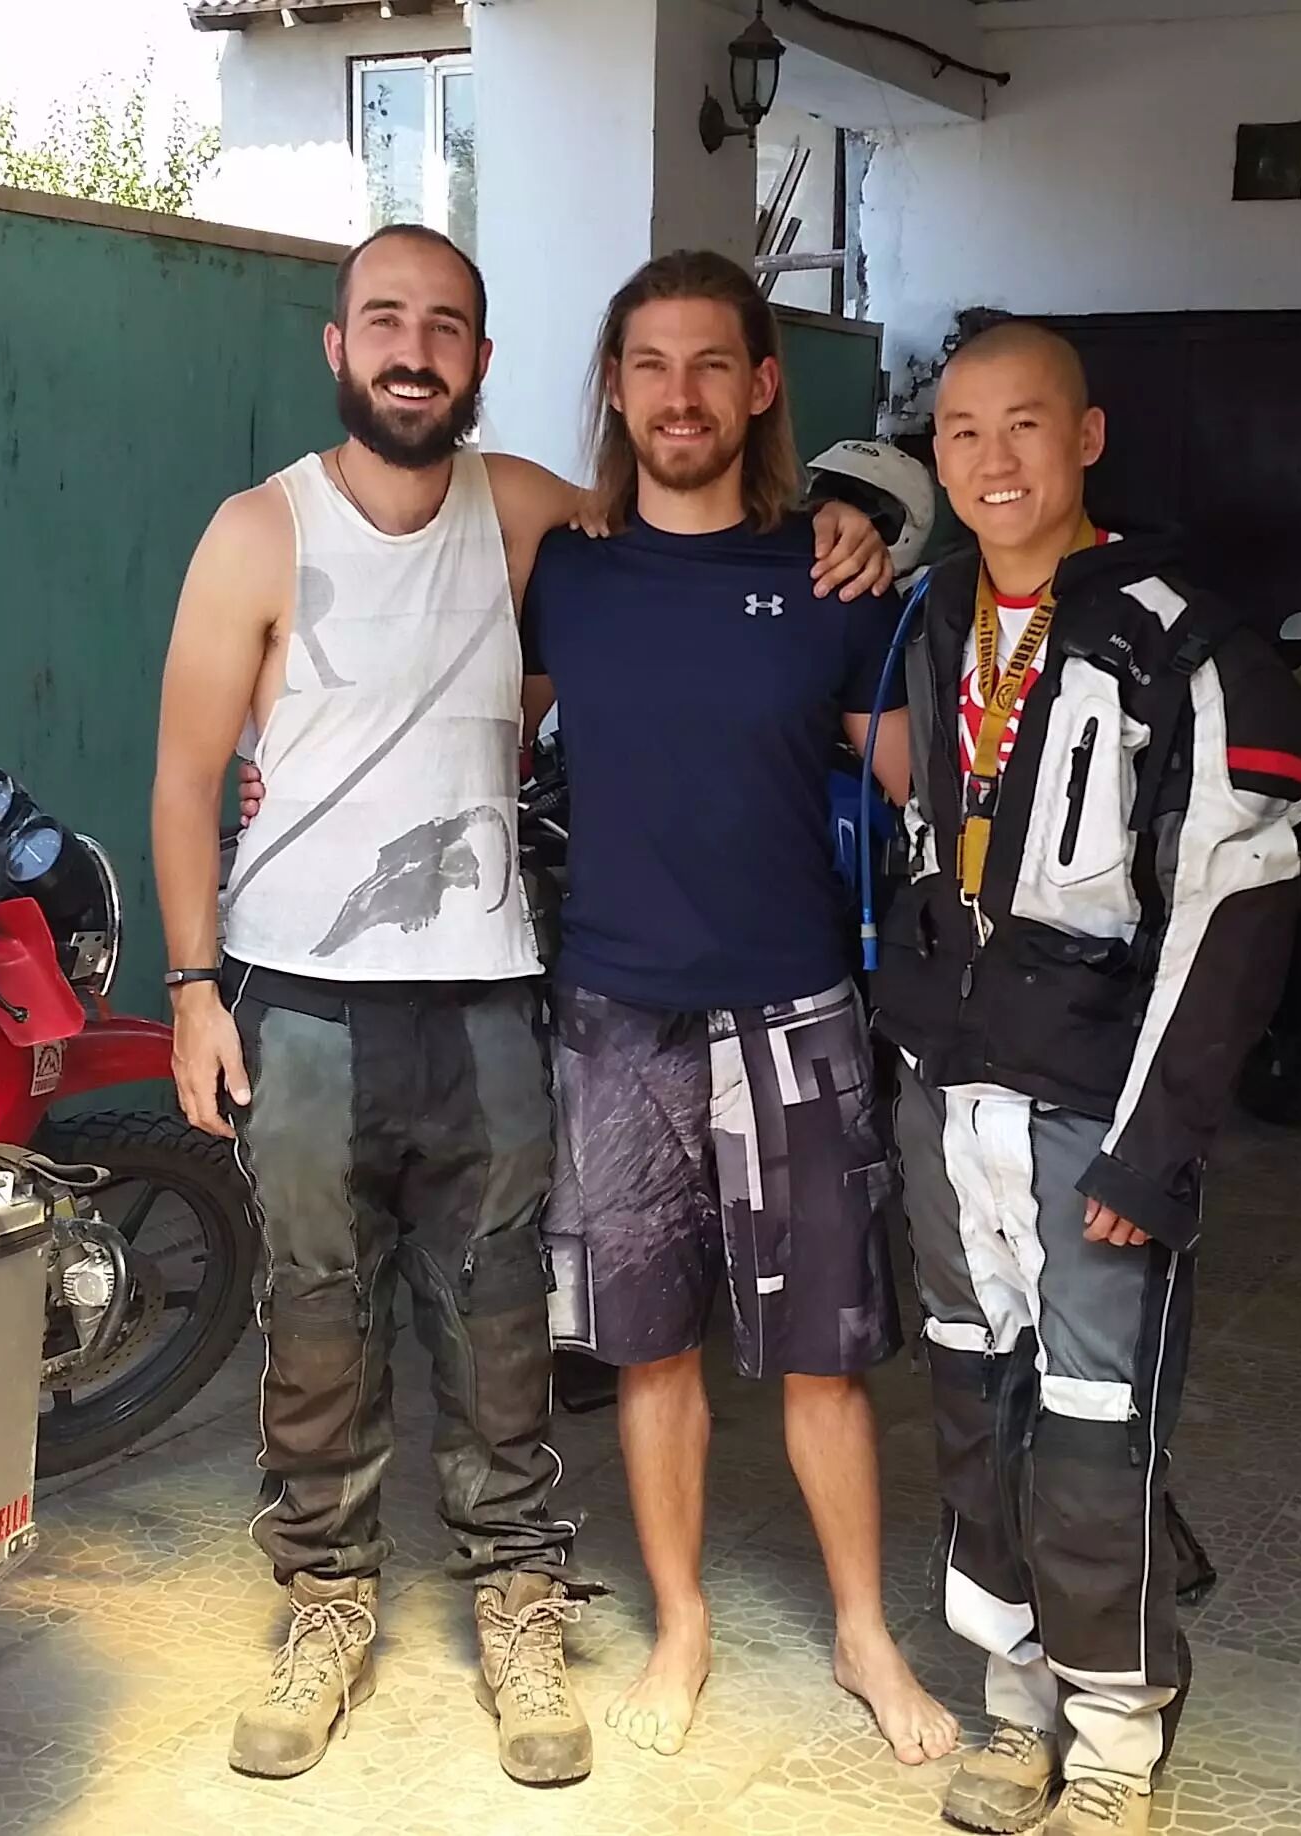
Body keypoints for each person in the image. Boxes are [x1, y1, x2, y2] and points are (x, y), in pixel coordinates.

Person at [150, 223, 890, 1788]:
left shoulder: (535, 521)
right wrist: (193, 985)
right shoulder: (256, 531)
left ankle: (521, 1603)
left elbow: (688, 540)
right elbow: (184, 772)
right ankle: (327, 1606)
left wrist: (846, 523)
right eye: (385, 321)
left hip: (491, 985)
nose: (414, 351)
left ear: (483, 360)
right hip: (301, 996)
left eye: (446, 326)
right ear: (338, 346)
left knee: (502, 1317)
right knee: (317, 1311)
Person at [873, 319, 1301, 1836]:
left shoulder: (1189, 644)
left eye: (1025, 425)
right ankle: (1017, 1701)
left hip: (1094, 1111)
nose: (992, 459)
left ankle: (1118, 1732)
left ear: (1087, 438)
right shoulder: (937, 614)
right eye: (962, 432)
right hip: (951, 1100)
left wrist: (1156, 1146)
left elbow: (1232, 912)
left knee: (1092, 1423)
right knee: (972, 1398)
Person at [516, 250, 959, 1771]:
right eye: (649, 364)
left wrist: (906, 547)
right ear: (615, 387)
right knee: (650, 1349)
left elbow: (924, 776)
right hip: (616, 1012)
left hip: (795, 1006)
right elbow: (475, 715)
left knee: (826, 1355)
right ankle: (682, 1624)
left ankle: (864, 1633)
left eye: (712, 362)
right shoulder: (566, 575)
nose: (680, 394)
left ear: (762, 385)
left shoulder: (830, 582)